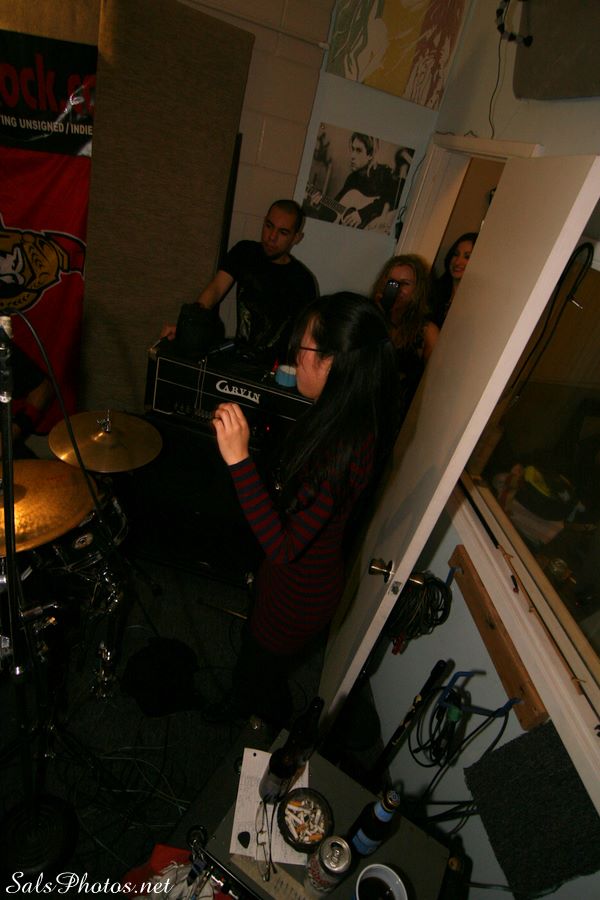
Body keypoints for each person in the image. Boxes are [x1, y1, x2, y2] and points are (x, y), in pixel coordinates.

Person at [211, 292, 397, 726]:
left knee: (256, 666)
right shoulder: (352, 416)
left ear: (333, 362)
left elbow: (283, 547)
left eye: (305, 348)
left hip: (298, 594)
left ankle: (253, 718)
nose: (297, 355)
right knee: (264, 662)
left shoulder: (340, 448)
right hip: (301, 581)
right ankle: (262, 706)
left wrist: (239, 461)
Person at [161, 199, 318, 365]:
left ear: (296, 238)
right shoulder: (245, 252)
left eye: (283, 232)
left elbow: (307, 337)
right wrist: (188, 326)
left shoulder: (303, 281)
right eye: (269, 226)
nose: (272, 237)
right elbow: (215, 289)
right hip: (238, 359)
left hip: (276, 369)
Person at [372, 254, 439, 425]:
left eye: (405, 284)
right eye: (392, 282)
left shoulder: (427, 332)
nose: (397, 289)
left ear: (418, 290)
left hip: (396, 416)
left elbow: (434, 383)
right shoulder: (369, 316)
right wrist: (378, 315)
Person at [307, 133, 395, 230]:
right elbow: (335, 213)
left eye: (358, 150)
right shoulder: (352, 178)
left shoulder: (383, 173)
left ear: (370, 155)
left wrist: (361, 214)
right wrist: (320, 206)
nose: (352, 155)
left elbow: (392, 198)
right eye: (353, 149)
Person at [430, 232, 478, 328]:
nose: (457, 262)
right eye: (455, 254)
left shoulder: (477, 302)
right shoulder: (434, 290)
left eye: (467, 257)